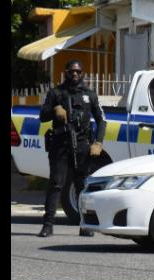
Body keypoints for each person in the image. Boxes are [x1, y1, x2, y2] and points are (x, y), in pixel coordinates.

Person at [38, 60, 107, 238]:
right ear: (66, 72)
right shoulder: (56, 93)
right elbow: (42, 117)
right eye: (71, 72)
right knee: (56, 184)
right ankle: (48, 225)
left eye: (78, 71)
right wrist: (55, 110)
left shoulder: (89, 94)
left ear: (82, 73)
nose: (74, 74)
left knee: (82, 186)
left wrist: (98, 143)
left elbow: (102, 120)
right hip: (60, 144)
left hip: (82, 145)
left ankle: (85, 225)